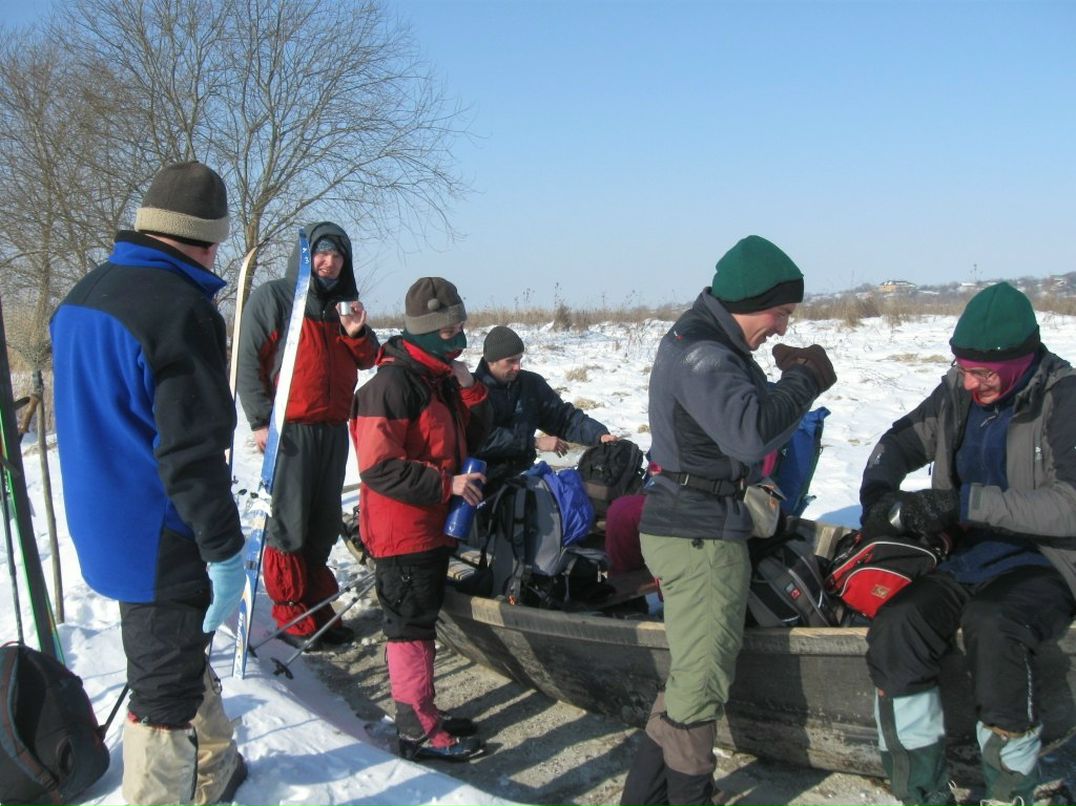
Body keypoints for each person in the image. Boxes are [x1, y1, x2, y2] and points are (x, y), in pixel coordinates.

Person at [50, 162, 247, 805]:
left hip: (100, 514)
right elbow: (193, 453)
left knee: (176, 650)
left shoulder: (84, 294)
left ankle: (218, 764)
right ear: (207, 240)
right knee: (161, 692)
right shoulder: (180, 310)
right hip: (158, 530)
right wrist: (223, 550)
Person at [621, 235, 836, 806]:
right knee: (701, 684)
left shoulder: (705, 340)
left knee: (689, 675)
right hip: (700, 536)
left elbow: (734, 419)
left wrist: (780, 379)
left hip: (686, 522)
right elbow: (750, 432)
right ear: (756, 300)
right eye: (782, 313)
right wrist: (805, 380)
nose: (784, 328)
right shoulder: (706, 354)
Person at [858, 282, 1076, 806]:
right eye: (964, 369)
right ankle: (922, 792)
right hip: (964, 556)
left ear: (1022, 361)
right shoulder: (958, 391)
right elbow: (899, 441)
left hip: (1045, 562)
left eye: (985, 374)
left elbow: (1070, 503)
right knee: (896, 627)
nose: (973, 383)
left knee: (995, 624)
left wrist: (964, 504)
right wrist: (879, 499)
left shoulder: (1063, 398)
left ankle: (1010, 791)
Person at [351, 277, 492, 761]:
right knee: (409, 627)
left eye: (462, 326)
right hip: (402, 531)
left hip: (432, 525)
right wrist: (445, 484)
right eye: (452, 331)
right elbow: (377, 467)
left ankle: (425, 712)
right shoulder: (391, 385)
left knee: (423, 621)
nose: (461, 338)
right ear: (428, 332)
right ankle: (415, 730)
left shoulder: (438, 378)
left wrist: (471, 388)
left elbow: (473, 433)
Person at [237, 222, 379, 649]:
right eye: (321, 252)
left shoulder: (345, 306)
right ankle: (290, 612)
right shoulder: (277, 299)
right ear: (305, 255)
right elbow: (248, 362)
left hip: (331, 431)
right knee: (290, 523)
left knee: (321, 524)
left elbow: (369, 357)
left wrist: (356, 331)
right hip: (290, 432)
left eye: (337, 255)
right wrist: (261, 421)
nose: (329, 261)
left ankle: (318, 607)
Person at [473, 324, 618, 494]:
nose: (517, 367)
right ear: (491, 361)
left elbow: (563, 418)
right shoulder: (472, 390)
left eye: (519, 359)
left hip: (522, 476)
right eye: (511, 361)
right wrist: (534, 442)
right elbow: (481, 439)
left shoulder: (530, 384)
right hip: (481, 482)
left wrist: (598, 434)